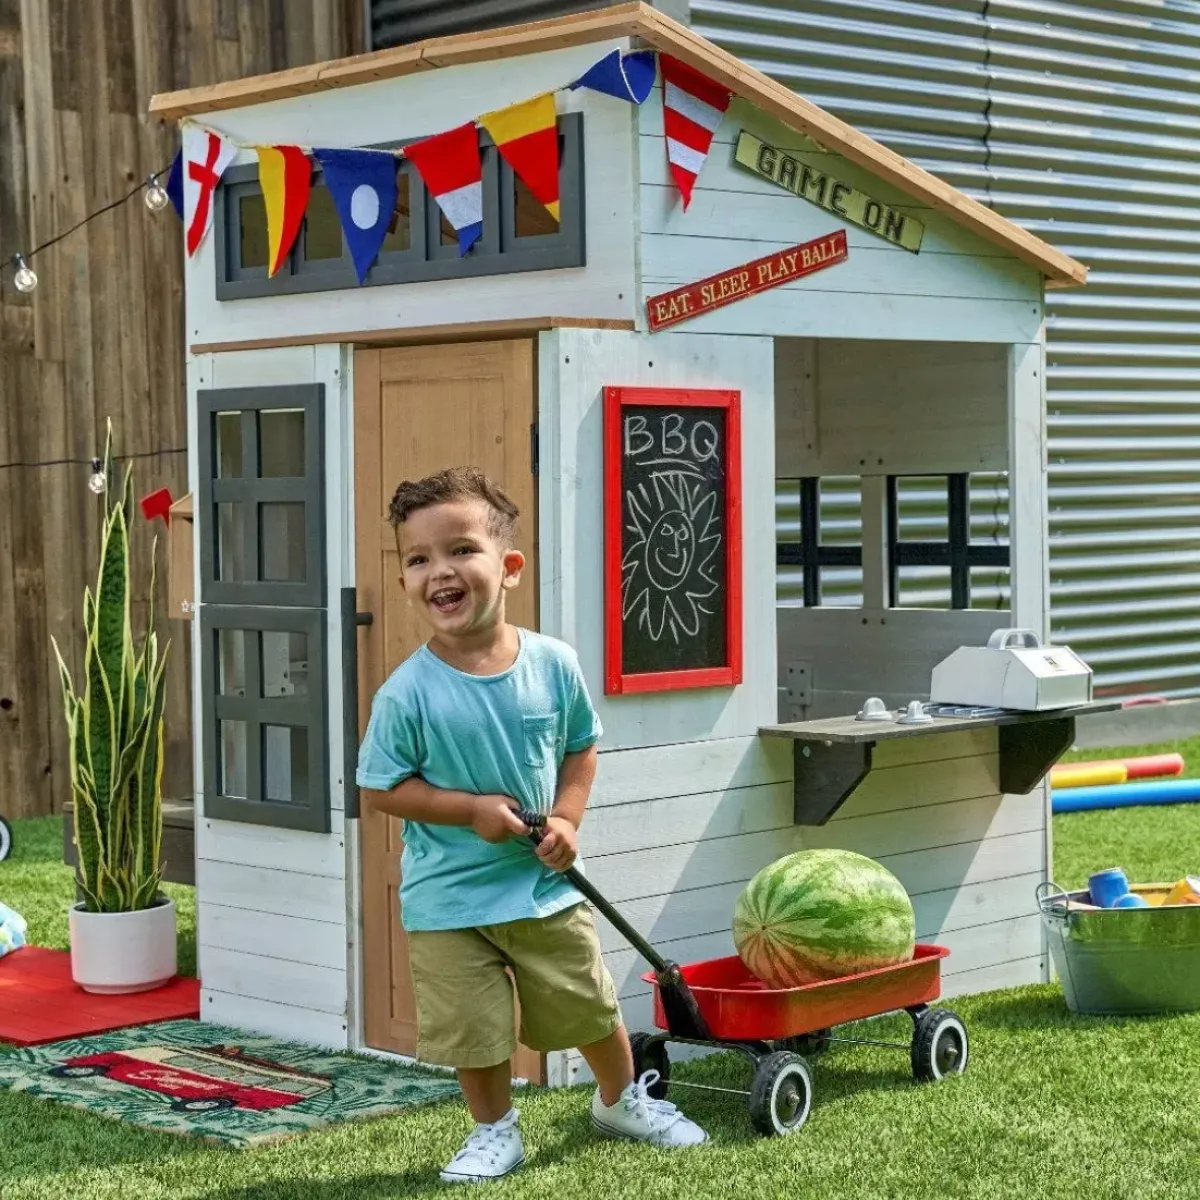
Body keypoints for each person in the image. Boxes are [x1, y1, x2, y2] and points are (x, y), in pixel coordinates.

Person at [356, 466, 707, 1185]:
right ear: (403, 583)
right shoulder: (407, 693)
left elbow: (581, 747)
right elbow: (383, 789)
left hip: (545, 889)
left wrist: (570, 819)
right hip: (448, 902)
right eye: (418, 560)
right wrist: (469, 811)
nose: (439, 572)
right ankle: (493, 1132)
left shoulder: (553, 665)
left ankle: (621, 1100)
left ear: (508, 566)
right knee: (473, 1029)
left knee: (589, 1005)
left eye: (459, 551)